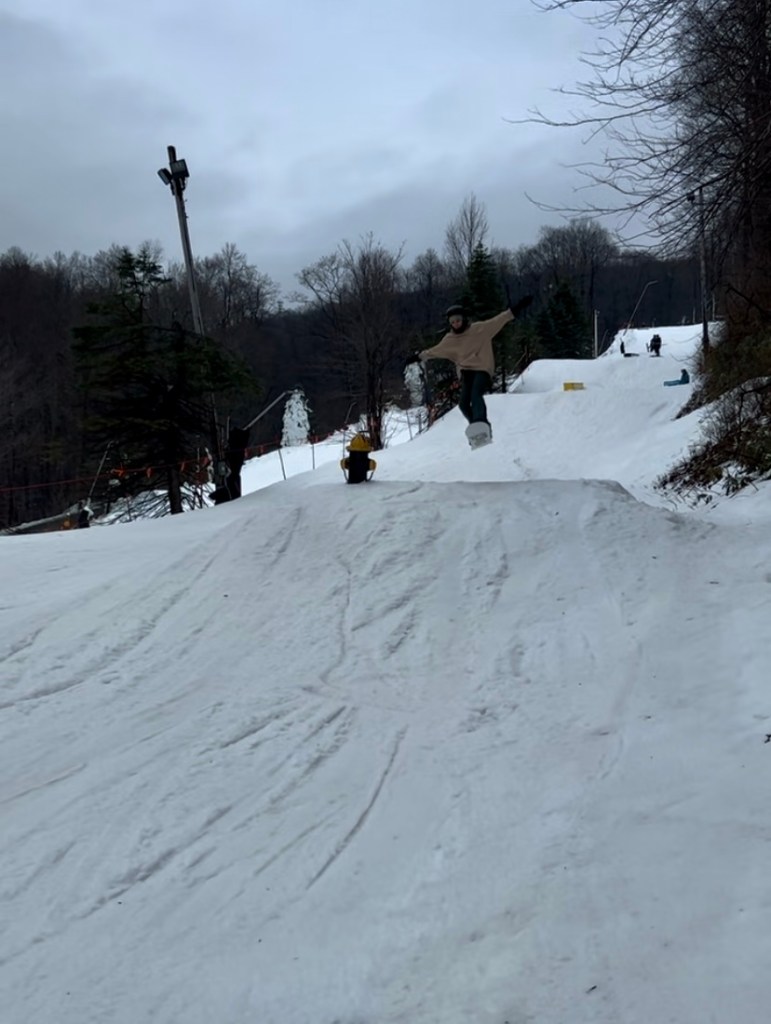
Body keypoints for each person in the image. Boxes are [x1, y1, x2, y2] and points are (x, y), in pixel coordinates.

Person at [406, 295, 533, 435]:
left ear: (464, 319)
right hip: (466, 372)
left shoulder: (479, 330)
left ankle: (481, 422)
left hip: (482, 369)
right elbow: (434, 351)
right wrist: (417, 357)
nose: (456, 324)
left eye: (458, 320)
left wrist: (517, 308)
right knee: (463, 404)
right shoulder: (449, 340)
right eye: (453, 322)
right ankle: (477, 429)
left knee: (475, 395)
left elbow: (499, 320)